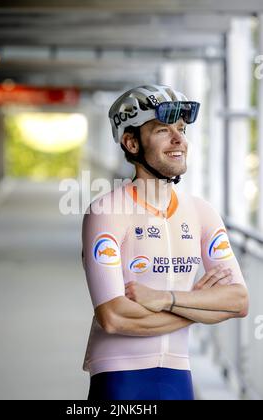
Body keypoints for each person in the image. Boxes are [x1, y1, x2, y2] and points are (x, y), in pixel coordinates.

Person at [81, 85, 249, 400]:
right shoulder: (106, 212)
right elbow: (114, 317)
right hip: (119, 377)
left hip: (178, 376)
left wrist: (165, 297)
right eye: (162, 130)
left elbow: (238, 302)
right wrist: (197, 304)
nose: (179, 140)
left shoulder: (201, 211)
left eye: (182, 130)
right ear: (131, 143)